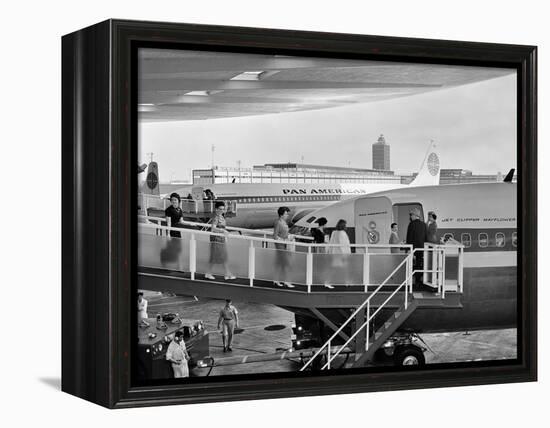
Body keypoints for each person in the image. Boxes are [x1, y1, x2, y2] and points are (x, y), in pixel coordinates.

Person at [205, 201, 236, 281]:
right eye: (220, 209)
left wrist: (224, 235)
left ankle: (211, 273)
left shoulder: (222, 217)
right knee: (220, 256)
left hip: (220, 238)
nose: (221, 210)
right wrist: (222, 231)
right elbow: (213, 228)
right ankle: (227, 273)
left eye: (223, 209)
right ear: (216, 209)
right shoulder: (216, 217)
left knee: (220, 256)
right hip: (216, 238)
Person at [326, 219, 352, 288]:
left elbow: (331, 243)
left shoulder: (334, 232)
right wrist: (346, 255)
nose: (346, 226)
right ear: (343, 225)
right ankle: (328, 282)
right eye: (345, 225)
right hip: (340, 255)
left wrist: (329, 251)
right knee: (339, 269)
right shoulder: (342, 233)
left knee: (337, 268)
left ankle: (346, 282)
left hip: (335, 254)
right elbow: (344, 246)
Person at [273, 206, 294, 288]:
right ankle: (286, 281)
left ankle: (276, 280)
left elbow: (285, 234)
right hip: (280, 246)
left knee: (281, 263)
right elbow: (275, 236)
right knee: (286, 264)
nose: (287, 215)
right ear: (281, 215)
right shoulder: (278, 222)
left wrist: (289, 237)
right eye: (286, 214)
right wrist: (284, 240)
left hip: (285, 245)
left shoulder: (284, 222)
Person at [406, 208, 428, 288]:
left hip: (413, 249)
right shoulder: (424, 225)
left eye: (411, 215)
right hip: (422, 249)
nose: (410, 216)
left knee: (411, 265)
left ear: (415, 215)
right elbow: (426, 238)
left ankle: (411, 282)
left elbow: (409, 237)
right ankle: (419, 281)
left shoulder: (411, 224)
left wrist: (408, 249)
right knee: (420, 265)